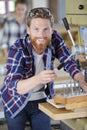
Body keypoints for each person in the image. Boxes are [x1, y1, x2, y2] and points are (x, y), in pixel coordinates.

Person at [1, 7, 87, 130]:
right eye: (36, 29)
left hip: (42, 101)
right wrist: (39, 79)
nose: (41, 35)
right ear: (28, 30)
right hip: (15, 101)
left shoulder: (54, 39)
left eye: (46, 29)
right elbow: (14, 86)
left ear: (52, 30)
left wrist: (82, 81)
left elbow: (69, 62)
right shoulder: (17, 49)